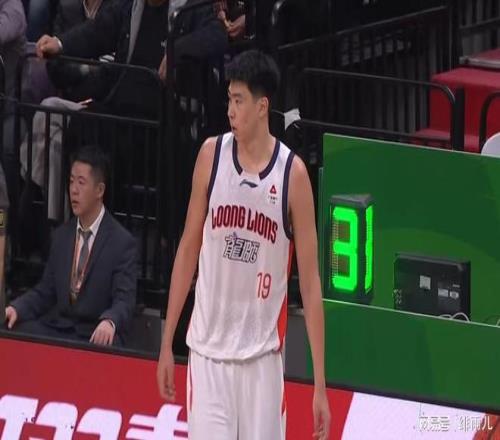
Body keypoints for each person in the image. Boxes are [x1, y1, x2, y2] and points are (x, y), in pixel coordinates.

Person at [156, 50, 331, 439]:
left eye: (239, 101)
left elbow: (311, 283)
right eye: (229, 100)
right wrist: (167, 341)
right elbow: (187, 249)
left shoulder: (292, 175)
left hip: (261, 361)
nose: (230, 111)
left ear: (262, 106)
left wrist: (319, 384)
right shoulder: (210, 156)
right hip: (208, 355)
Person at [4, 145, 137, 346]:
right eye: (71, 181)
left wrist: (110, 321)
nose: (73, 190)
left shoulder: (122, 242)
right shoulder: (61, 236)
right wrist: (17, 308)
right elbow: (45, 291)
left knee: (110, 341)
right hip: (60, 327)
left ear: (99, 190)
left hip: (93, 331)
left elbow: (124, 301)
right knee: (14, 326)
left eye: (81, 183)